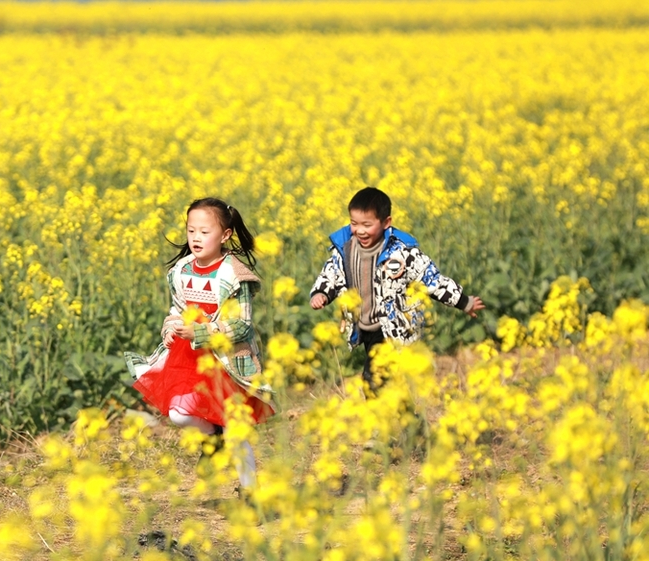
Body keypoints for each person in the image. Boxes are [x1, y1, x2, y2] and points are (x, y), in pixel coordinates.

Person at [125, 197, 274, 490]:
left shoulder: (234, 275)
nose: (196, 238)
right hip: (189, 357)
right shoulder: (182, 270)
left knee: (236, 431)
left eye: (204, 232)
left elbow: (242, 325)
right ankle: (211, 437)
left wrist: (203, 333)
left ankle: (250, 492)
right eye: (191, 230)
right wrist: (170, 328)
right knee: (179, 415)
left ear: (225, 235)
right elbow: (177, 310)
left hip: (229, 362)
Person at [309, 187, 485, 387]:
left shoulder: (402, 252)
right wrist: (321, 292)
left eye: (367, 224)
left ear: (386, 223)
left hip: (394, 327)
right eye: (354, 223)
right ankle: (408, 417)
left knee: (373, 378)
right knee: (390, 382)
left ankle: (384, 416)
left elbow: (432, 280)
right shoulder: (345, 248)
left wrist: (464, 302)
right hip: (365, 325)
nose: (359, 230)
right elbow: (332, 273)